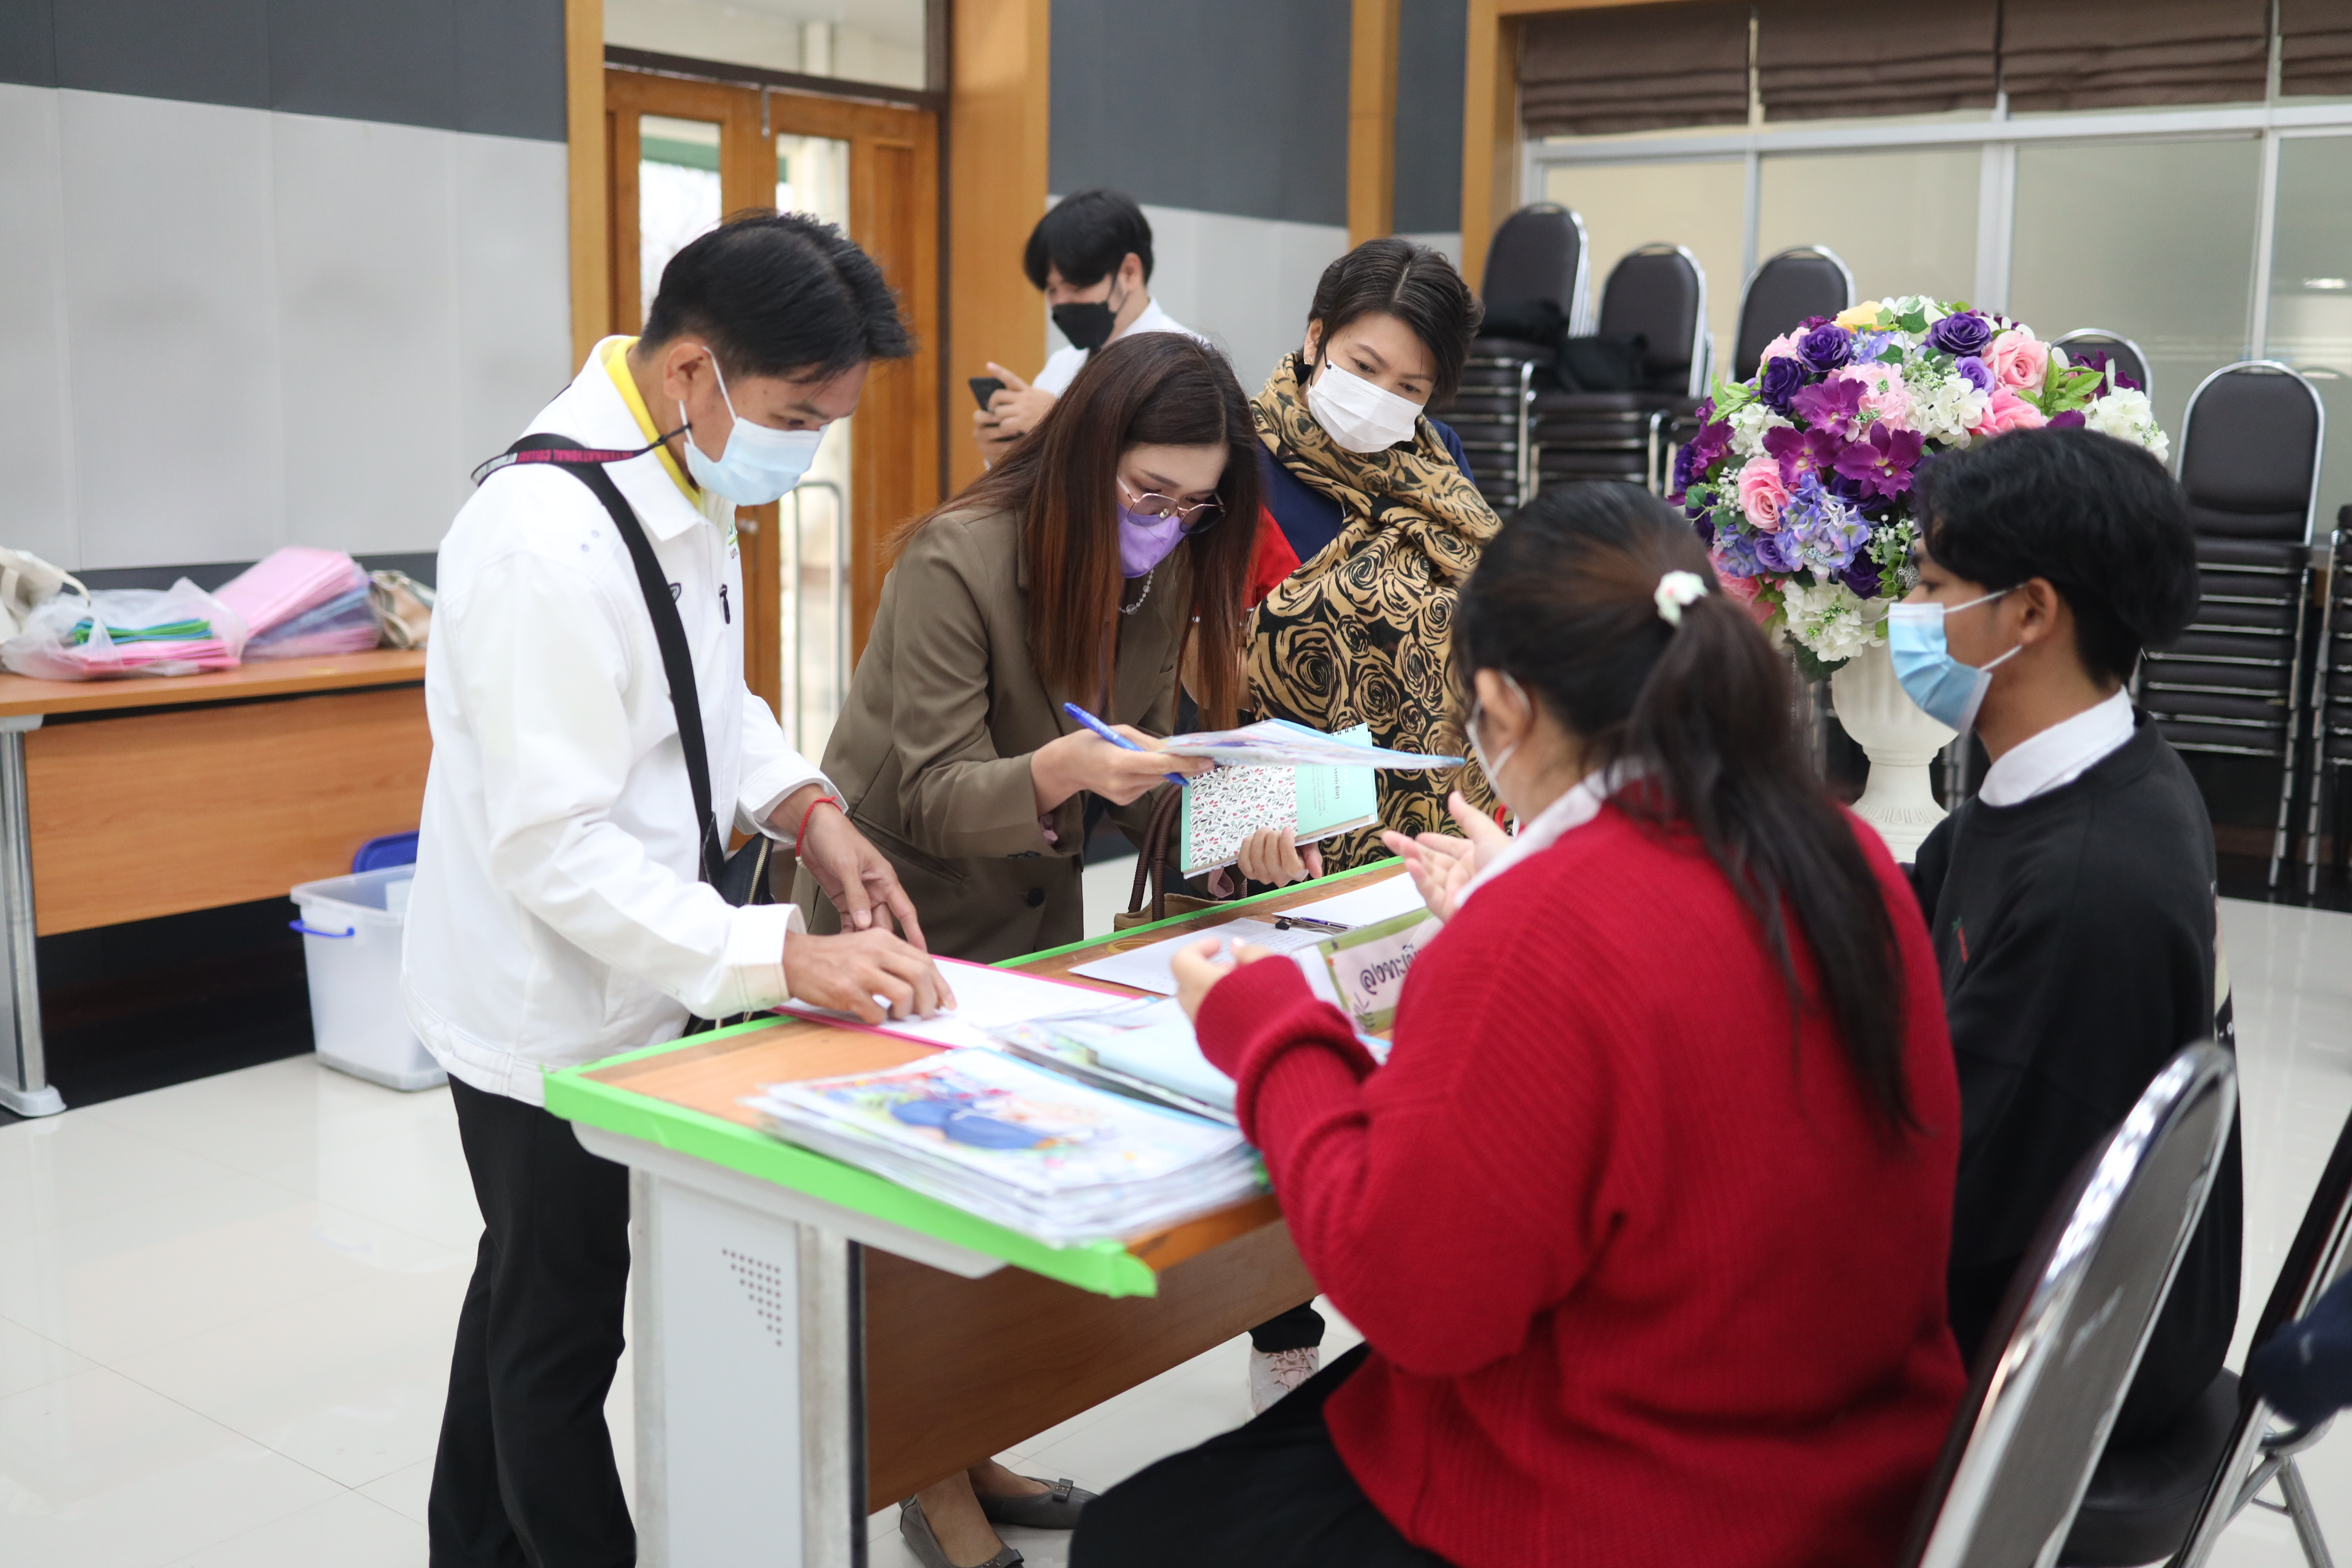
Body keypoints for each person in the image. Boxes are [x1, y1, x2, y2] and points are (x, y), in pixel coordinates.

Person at [1074, 482, 1968, 1568]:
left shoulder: (1543, 928)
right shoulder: (1842, 853)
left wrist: (1271, 1026)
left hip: (1630, 1501)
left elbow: (1413, 1297)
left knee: (1129, 1537)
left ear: (1503, 700)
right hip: (1850, 1463)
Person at [403, 213, 954, 1568]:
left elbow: (704, 697)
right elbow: (552, 845)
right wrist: (782, 956)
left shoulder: (674, 466)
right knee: (560, 1326)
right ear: (695, 370)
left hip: (639, 961)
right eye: (796, 417)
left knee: (526, 1284)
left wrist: (808, 807)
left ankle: (466, 1547)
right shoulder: (543, 541)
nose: (805, 449)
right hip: (547, 1001)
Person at [799, 328, 1260, 1568]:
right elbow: (932, 788)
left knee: (988, 1212)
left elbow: (1143, 757)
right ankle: (928, 1485)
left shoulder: (1161, 566)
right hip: (898, 915)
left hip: (1031, 920)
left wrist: (1227, 831)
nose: (1168, 525)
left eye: (1195, 505)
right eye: (1148, 494)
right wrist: (1064, 769)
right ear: (1087, 452)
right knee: (904, 1226)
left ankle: (973, 1444)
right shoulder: (956, 558)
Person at [1899, 427, 2238, 1444]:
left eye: (1929, 586)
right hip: (2042, 1283)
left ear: (2030, 612)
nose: (1905, 615)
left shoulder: (2085, 888)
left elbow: (1940, 1206)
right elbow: (1903, 920)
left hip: (2052, 1367)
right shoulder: (2094, 773)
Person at [1246, 236, 1500, 880]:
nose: (1382, 396)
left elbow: (1488, 609)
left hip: (1438, 824)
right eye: (1364, 367)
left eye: (1410, 386)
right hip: (1281, 831)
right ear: (1316, 339)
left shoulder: (1437, 459)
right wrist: (1246, 826)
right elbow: (1204, 670)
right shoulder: (1239, 462)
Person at [972, 190, 1200, 464]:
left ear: (1129, 272)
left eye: (1077, 286)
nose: (1061, 302)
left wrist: (1058, 422)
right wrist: (1005, 457)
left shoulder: (1191, 363)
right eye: (1051, 290)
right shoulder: (1062, 365)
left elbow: (1169, 473)